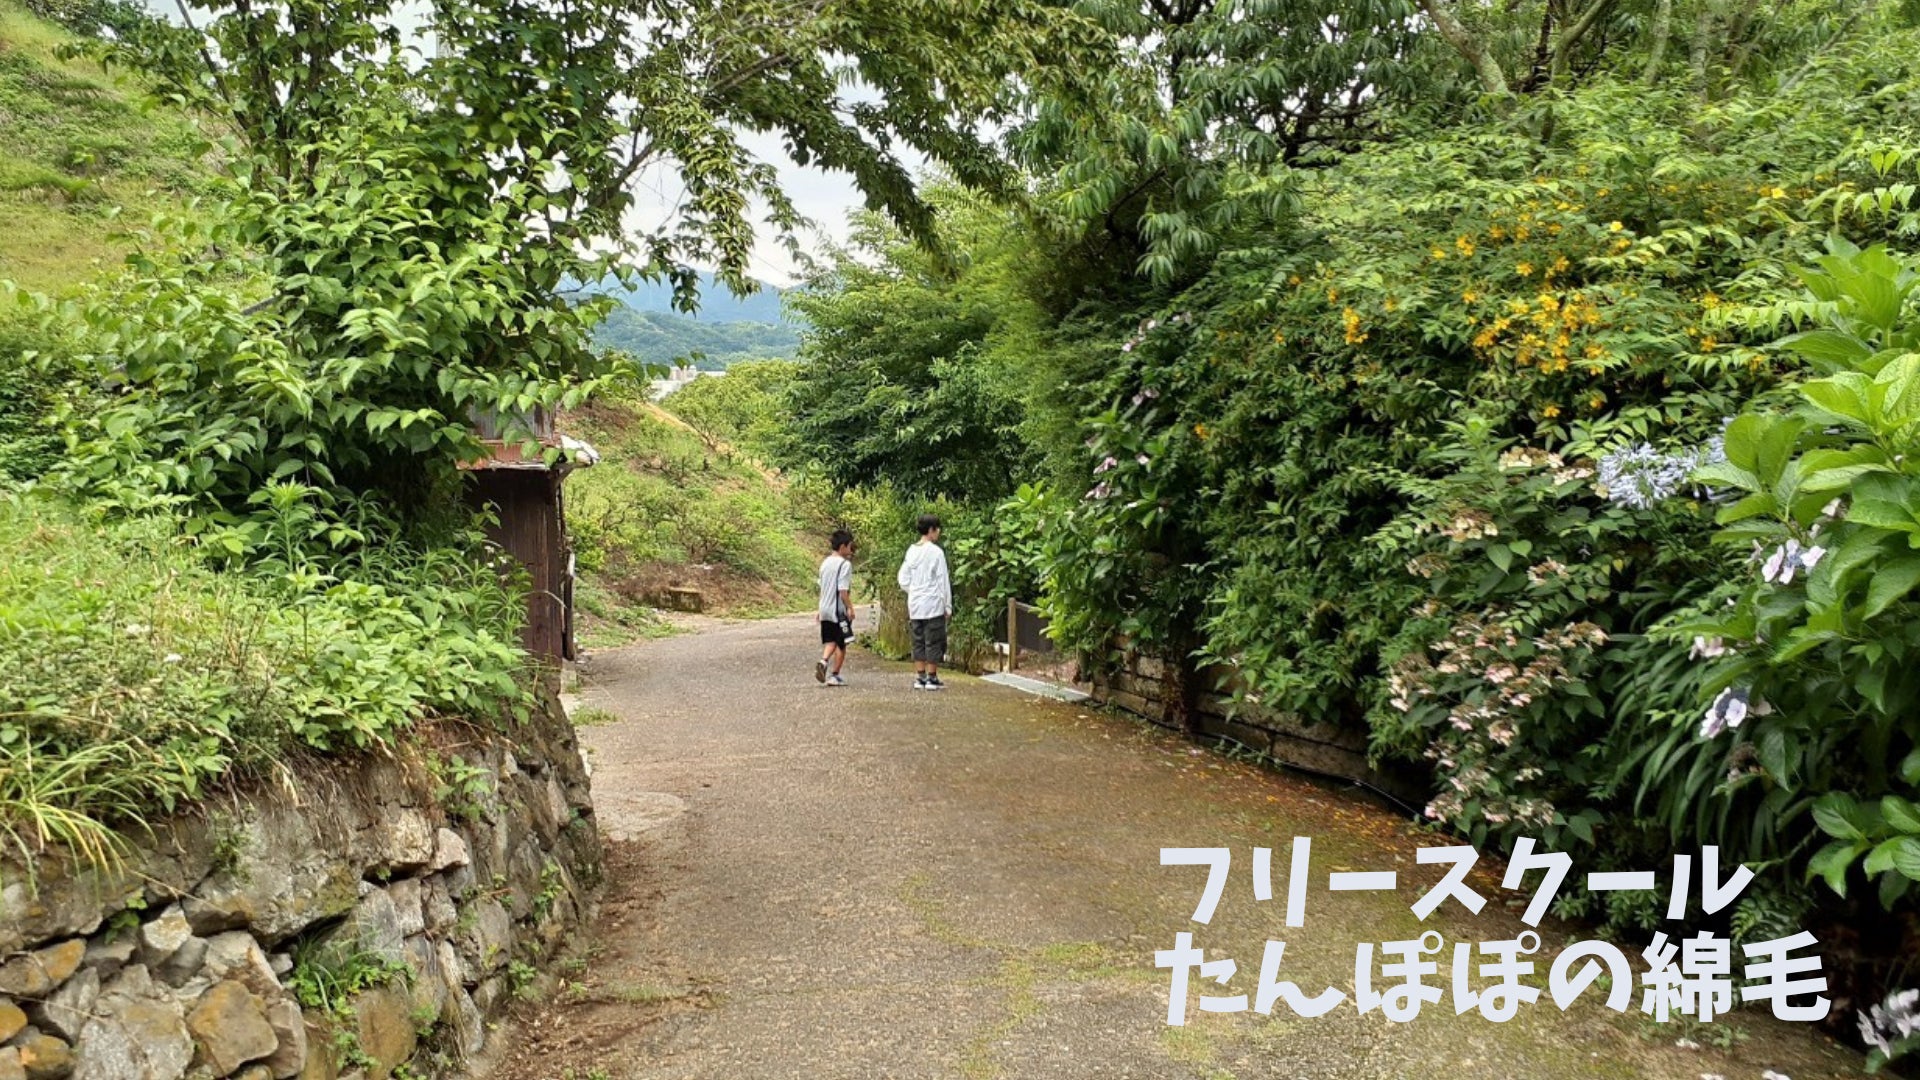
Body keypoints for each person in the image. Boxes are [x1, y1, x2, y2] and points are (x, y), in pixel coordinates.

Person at [896, 514, 952, 691]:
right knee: (934, 640)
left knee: (918, 640)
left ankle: (920, 677)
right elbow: (943, 580)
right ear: (931, 530)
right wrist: (947, 604)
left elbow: (903, 578)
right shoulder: (936, 552)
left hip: (915, 604)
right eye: (937, 528)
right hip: (933, 603)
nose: (939, 531)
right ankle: (932, 677)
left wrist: (913, 590)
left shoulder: (911, 550)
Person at [815, 530, 855, 687]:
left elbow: (823, 587)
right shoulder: (844, 565)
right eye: (850, 546)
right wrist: (850, 608)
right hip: (838, 611)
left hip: (824, 608)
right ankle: (834, 674)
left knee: (831, 640)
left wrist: (819, 609)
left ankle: (823, 662)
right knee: (841, 642)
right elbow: (843, 590)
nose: (851, 550)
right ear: (843, 546)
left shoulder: (825, 563)